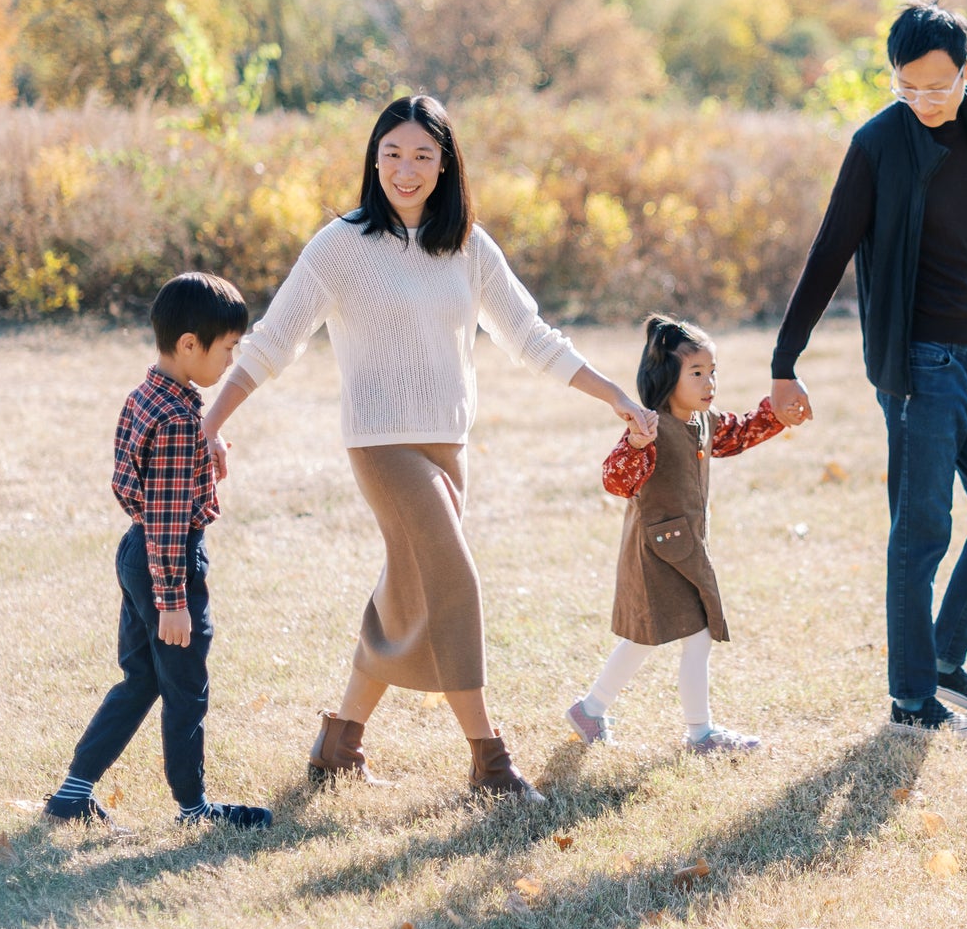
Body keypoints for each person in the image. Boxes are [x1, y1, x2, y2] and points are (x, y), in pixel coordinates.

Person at [202, 94, 656, 803]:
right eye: (392, 153)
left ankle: (337, 741)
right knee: (452, 580)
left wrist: (617, 397)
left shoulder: (468, 246)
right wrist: (210, 421)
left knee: (407, 590)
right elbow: (272, 342)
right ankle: (489, 761)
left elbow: (531, 337)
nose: (405, 169)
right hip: (380, 447)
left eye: (421, 155)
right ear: (372, 159)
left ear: (445, 165)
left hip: (449, 446)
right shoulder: (338, 246)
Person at [769, 0, 967, 733]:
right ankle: (911, 702)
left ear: (966, 73)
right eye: (906, 87)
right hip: (917, 372)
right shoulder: (877, 145)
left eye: (937, 87)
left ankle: (941, 661)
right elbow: (828, 254)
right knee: (920, 536)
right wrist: (785, 361)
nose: (922, 102)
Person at [45, 272, 273, 830]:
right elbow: (170, 518)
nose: (230, 360)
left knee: (142, 679)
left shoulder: (151, 395)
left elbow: (139, 479)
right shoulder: (177, 420)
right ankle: (194, 809)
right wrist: (174, 600)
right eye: (228, 349)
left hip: (136, 551)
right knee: (186, 689)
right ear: (190, 345)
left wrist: (208, 443)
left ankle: (73, 793)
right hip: (166, 563)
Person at [566, 314, 787, 754]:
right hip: (656, 554)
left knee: (649, 638)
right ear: (668, 377)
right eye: (697, 373)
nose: (710, 383)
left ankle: (590, 710)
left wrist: (776, 412)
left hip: (683, 549)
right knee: (690, 634)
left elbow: (738, 434)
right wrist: (634, 445)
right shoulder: (650, 428)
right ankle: (699, 733)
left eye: (713, 372)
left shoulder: (703, 422)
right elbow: (615, 480)